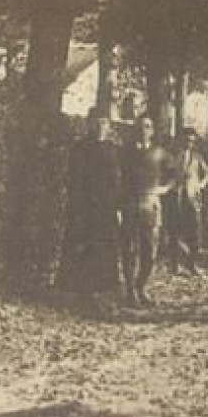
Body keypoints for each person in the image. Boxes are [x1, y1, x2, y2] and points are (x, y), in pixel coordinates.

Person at [60, 108, 123, 296]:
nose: (100, 127)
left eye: (104, 123)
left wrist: (117, 206)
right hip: (85, 206)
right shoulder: (80, 148)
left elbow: (117, 180)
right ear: (89, 124)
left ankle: (105, 290)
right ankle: (78, 291)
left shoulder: (113, 149)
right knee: (81, 244)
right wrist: (77, 206)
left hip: (106, 207)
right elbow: (74, 179)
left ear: (109, 126)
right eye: (96, 123)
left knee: (105, 246)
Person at [121, 115, 176, 306]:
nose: (143, 130)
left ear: (152, 131)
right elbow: (117, 178)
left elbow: (174, 176)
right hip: (129, 204)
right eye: (139, 126)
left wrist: (163, 189)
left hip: (151, 206)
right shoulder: (125, 153)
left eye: (147, 126)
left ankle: (141, 286)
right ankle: (130, 290)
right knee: (129, 249)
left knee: (150, 251)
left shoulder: (160, 153)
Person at [166, 128, 208, 274]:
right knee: (174, 233)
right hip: (176, 197)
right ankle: (174, 265)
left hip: (192, 198)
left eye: (192, 141)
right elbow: (165, 173)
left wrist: (201, 185)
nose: (189, 143)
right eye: (186, 140)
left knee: (194, 232)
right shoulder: (173, 156)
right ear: (181, 140)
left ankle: (192, 264)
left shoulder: (197, 157)